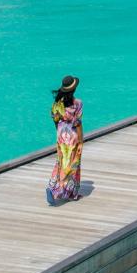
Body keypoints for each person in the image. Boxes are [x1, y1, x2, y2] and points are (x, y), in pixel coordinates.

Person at [47, 75, 84, 204]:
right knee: (73, 163)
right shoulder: (77, 103)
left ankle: (53, 187)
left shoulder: (56, 104)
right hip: (72, 135)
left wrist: (59, 133)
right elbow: (78, 123)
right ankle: (68, 192)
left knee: (61, 161)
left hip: (61, 135)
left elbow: (55, 120)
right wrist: (81, 141)